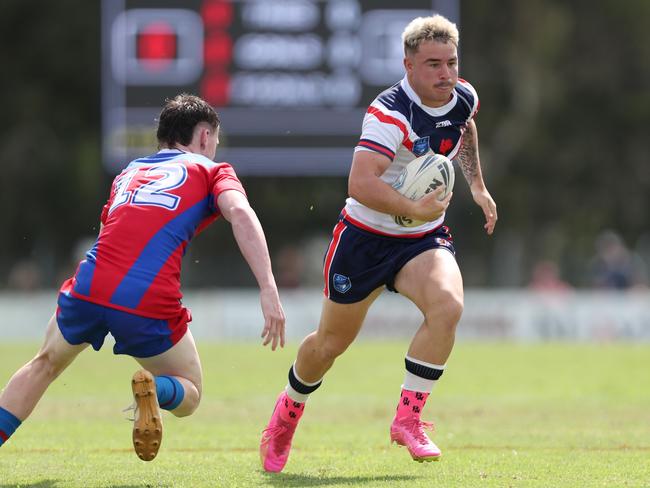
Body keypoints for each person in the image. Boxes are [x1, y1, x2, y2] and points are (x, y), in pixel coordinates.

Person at [259, 14, 497, 472]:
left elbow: (464, 128)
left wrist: (478, 186)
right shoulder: (389, 113)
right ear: (408, 64)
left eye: (450, 62)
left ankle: (409, 418)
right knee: (329, 345)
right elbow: (360, 184)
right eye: (432, 64)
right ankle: (286, 416)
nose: (445, 74)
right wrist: (414, 207)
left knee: (448, 306)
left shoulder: (462, 95)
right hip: (365, 239)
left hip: (421, 238)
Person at [0, 94, 286, 461]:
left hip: (89, 283)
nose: (214, 147)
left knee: (44, 364)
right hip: (144, 296)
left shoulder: (129, 172)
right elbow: (241, 215)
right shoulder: (211, 170)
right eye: (214, 138)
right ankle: (155, 388)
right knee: (191, 393)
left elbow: (111, 230)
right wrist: (268, 286)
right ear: (202, 136)